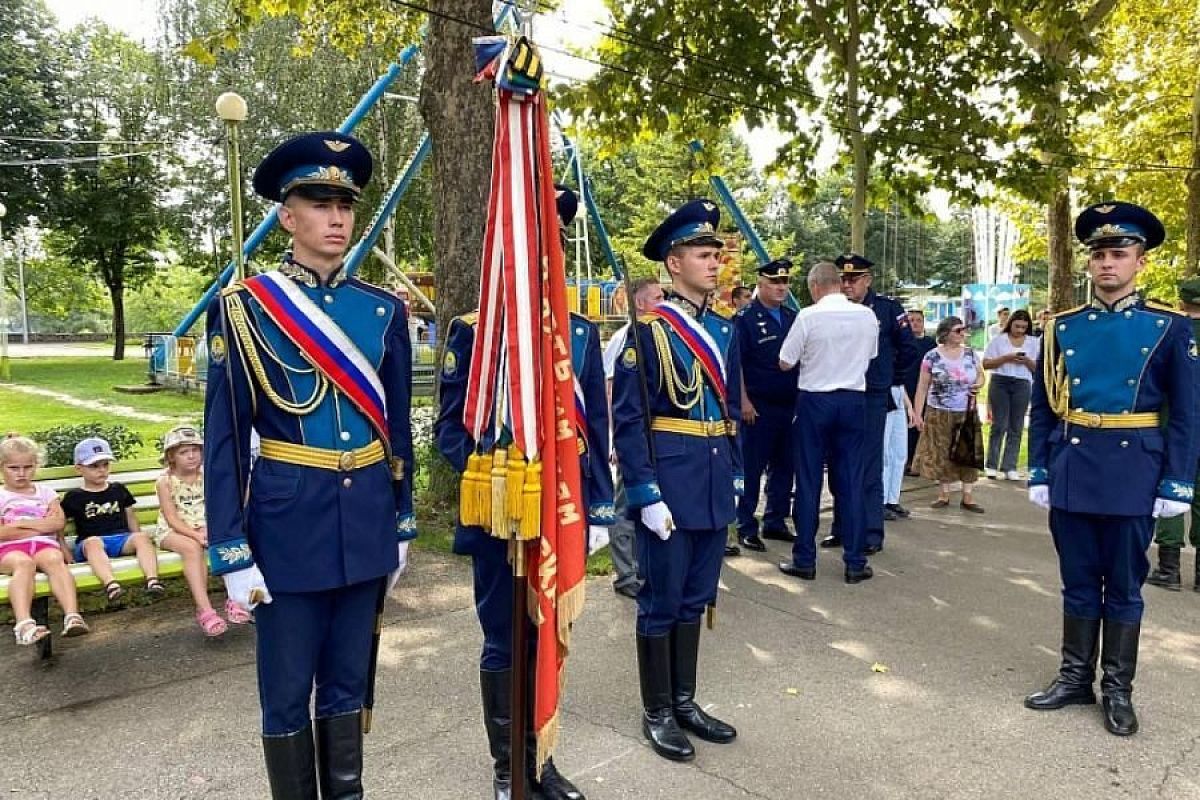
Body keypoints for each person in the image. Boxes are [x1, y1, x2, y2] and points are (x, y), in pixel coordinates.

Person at [204, 131, 416, 797]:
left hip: (366, 522)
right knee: (288, 694)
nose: (335, 217)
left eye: (344, 204)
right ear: (286, 216)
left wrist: (402, 520)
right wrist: (231, 550)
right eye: (317, 202)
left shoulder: (383, 310)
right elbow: (225, 442)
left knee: (349, 684)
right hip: (288, 522)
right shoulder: (245, 308)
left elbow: (398, 429)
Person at [434, 186, 611, 800]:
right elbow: (448, 430)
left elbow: (596, 428)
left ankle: (545, 759)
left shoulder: (580, 334)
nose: (545, 252)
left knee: (549, 636)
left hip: (559, 513)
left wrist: (601, 503)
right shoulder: (472, 332)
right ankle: (508, 765)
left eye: (553, 241)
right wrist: (501, 478)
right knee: (505, 637)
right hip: (499, 513)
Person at [1025, 201, 1195, 737]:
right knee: (1076, 580)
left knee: (1124, 584)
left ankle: (1117, 688)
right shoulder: (1062, 327)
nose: (1106, 264)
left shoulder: (1168, 328)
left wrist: (1178, 482)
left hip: (1133, 471)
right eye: (1099, 254)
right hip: (1074, 462)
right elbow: (1043, 406)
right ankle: (1075, 677)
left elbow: (1189, 415)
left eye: (1119, 254)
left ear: (1140, 262)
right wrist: (1039, 470)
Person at [612, 199, 741, 763]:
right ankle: (657, 711)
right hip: (670, 481)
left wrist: (735, 474)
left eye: (716, 254)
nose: (714, 264)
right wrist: (644, 493)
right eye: (702, 254)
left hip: (711, 481)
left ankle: (685, 701)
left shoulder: (721, 331)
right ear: (673, 263)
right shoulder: (648, 334)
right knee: (660, 602)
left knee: (696, 598)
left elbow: (728, 408)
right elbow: (628, 419)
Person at [775, 261, 878, 583]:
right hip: (853, 399)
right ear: (839, 283)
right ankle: (855, 562)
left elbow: (784, 361)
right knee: (851, 481)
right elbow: (871, 356)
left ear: (815, 286)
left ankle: (805, 559)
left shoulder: (808, 316)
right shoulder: (867, 315)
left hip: (814, 401)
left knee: (807, 481)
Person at [822, 253, 915, 555]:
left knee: (869, 467)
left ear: (867, 280)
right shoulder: (832, 310)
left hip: (872, 396)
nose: (847, 284)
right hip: (838, 391)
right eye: (843, 279)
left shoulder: (887, 310)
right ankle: (841, 527)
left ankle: (871, 533)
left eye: (854, 279)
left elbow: (909, 350)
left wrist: (887, 378)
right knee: (838, 464)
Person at [153, 425, 251, 637]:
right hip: (174, 531)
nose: (191, 456)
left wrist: (212, 529)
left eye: (195, 450)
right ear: (171, 456)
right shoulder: (165, 481)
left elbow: (219, 506)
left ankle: (235, 599)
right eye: (183, 452)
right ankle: (205, 609)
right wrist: (196, 534)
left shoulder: (207, 475)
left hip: (206, 527)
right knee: (192, 548)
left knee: (227, 542)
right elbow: (171, 518)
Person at [603, 277, 664, 598]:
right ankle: (626, 575)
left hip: (654, 441)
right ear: (640, 303)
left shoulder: (657, 335)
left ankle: (643, 569)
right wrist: (616, 441)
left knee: (646, 507)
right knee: (626, 509)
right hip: (632, 441)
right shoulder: (626, 338)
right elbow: (613, 393)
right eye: (657, 297)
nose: (664, 302)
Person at [733, 258, 798, 551]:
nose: (781, 287)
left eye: (785, 282)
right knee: (752, 468)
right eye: (775, 282)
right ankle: (746, 525)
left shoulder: (793, 317)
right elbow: (737, 365)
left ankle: (775, 521)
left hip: (790, 403)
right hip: (757, 406)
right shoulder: (745, 319)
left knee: (785, 467)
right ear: (760, 283)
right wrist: (744, 400)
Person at [0, 435, 89, 644]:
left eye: (28, 467)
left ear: (36, 466)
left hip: (44, 546)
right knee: (24, 563)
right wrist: (40, 526)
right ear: (2, 467)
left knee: (54, 560)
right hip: (9, 551)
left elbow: (57, 524)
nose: (22, 474)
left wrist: (17, 526)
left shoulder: (46, 493)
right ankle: (24, 624)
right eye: (14, 468)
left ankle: (72, 616)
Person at [61, 437, 164, 605]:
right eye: (94, 466)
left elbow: (130, 516)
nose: (101, 470)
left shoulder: (118, 489)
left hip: (121, 540)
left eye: (105, 465)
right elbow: (60, 526)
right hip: (90, 545)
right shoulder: (75, 496)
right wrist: (65, 550)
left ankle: (153, 580)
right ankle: (111, 584)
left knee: (142, 537)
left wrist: (137, 537)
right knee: (93, 542)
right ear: (79, 469)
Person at [1147, 276, 1200, 592]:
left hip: (1175, 426)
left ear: (1182, 303)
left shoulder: (1171, 334)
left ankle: (1169, 568)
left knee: (1173, 489)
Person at [911, 316, 986, 511]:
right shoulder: (932, 357)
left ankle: (968, 495)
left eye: (963, 330)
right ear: (946, 333)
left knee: (967, 452)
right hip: (939, 411)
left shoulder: (970, 354)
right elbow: (922, 387)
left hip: (966, 411)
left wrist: (978, 384)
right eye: (958, 330)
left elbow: (980, 374)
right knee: (941, 453)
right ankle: (943, 493)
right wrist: (917, 414)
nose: (962, 334)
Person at [982, 308, 1038, 480]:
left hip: (1022, 383)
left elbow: (1038, 370)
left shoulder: (1034, 342)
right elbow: (986, 364)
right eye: (1016, 326)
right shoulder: (999, 341)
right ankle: (991, 464)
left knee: (1017, 425)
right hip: (1001, 381)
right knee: (999, 424)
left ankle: (1009, 466)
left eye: (1023, 327)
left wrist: (1026, 360)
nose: (1019, 330)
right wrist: (1006, 358)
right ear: (1010, 324)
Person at [904, 309, 936, 475]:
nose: (915, 323)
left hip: (925, 389)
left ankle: (920, 460)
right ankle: (907, 460)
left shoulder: (930, 344)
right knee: (907, 425)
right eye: (911, 320)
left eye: (918, 320)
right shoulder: (903, 342)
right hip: (906, 387)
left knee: (922, 425)